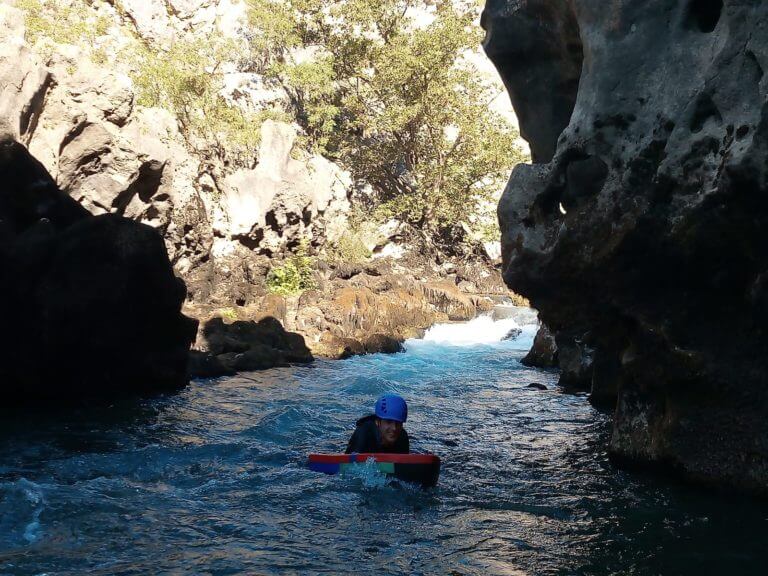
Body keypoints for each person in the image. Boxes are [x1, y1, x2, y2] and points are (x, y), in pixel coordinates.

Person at [345, 393, 410, 454]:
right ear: (377, 422)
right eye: (389, 422)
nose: (394, 428)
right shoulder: (364, 433)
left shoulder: (402, 436)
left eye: (398, 423)